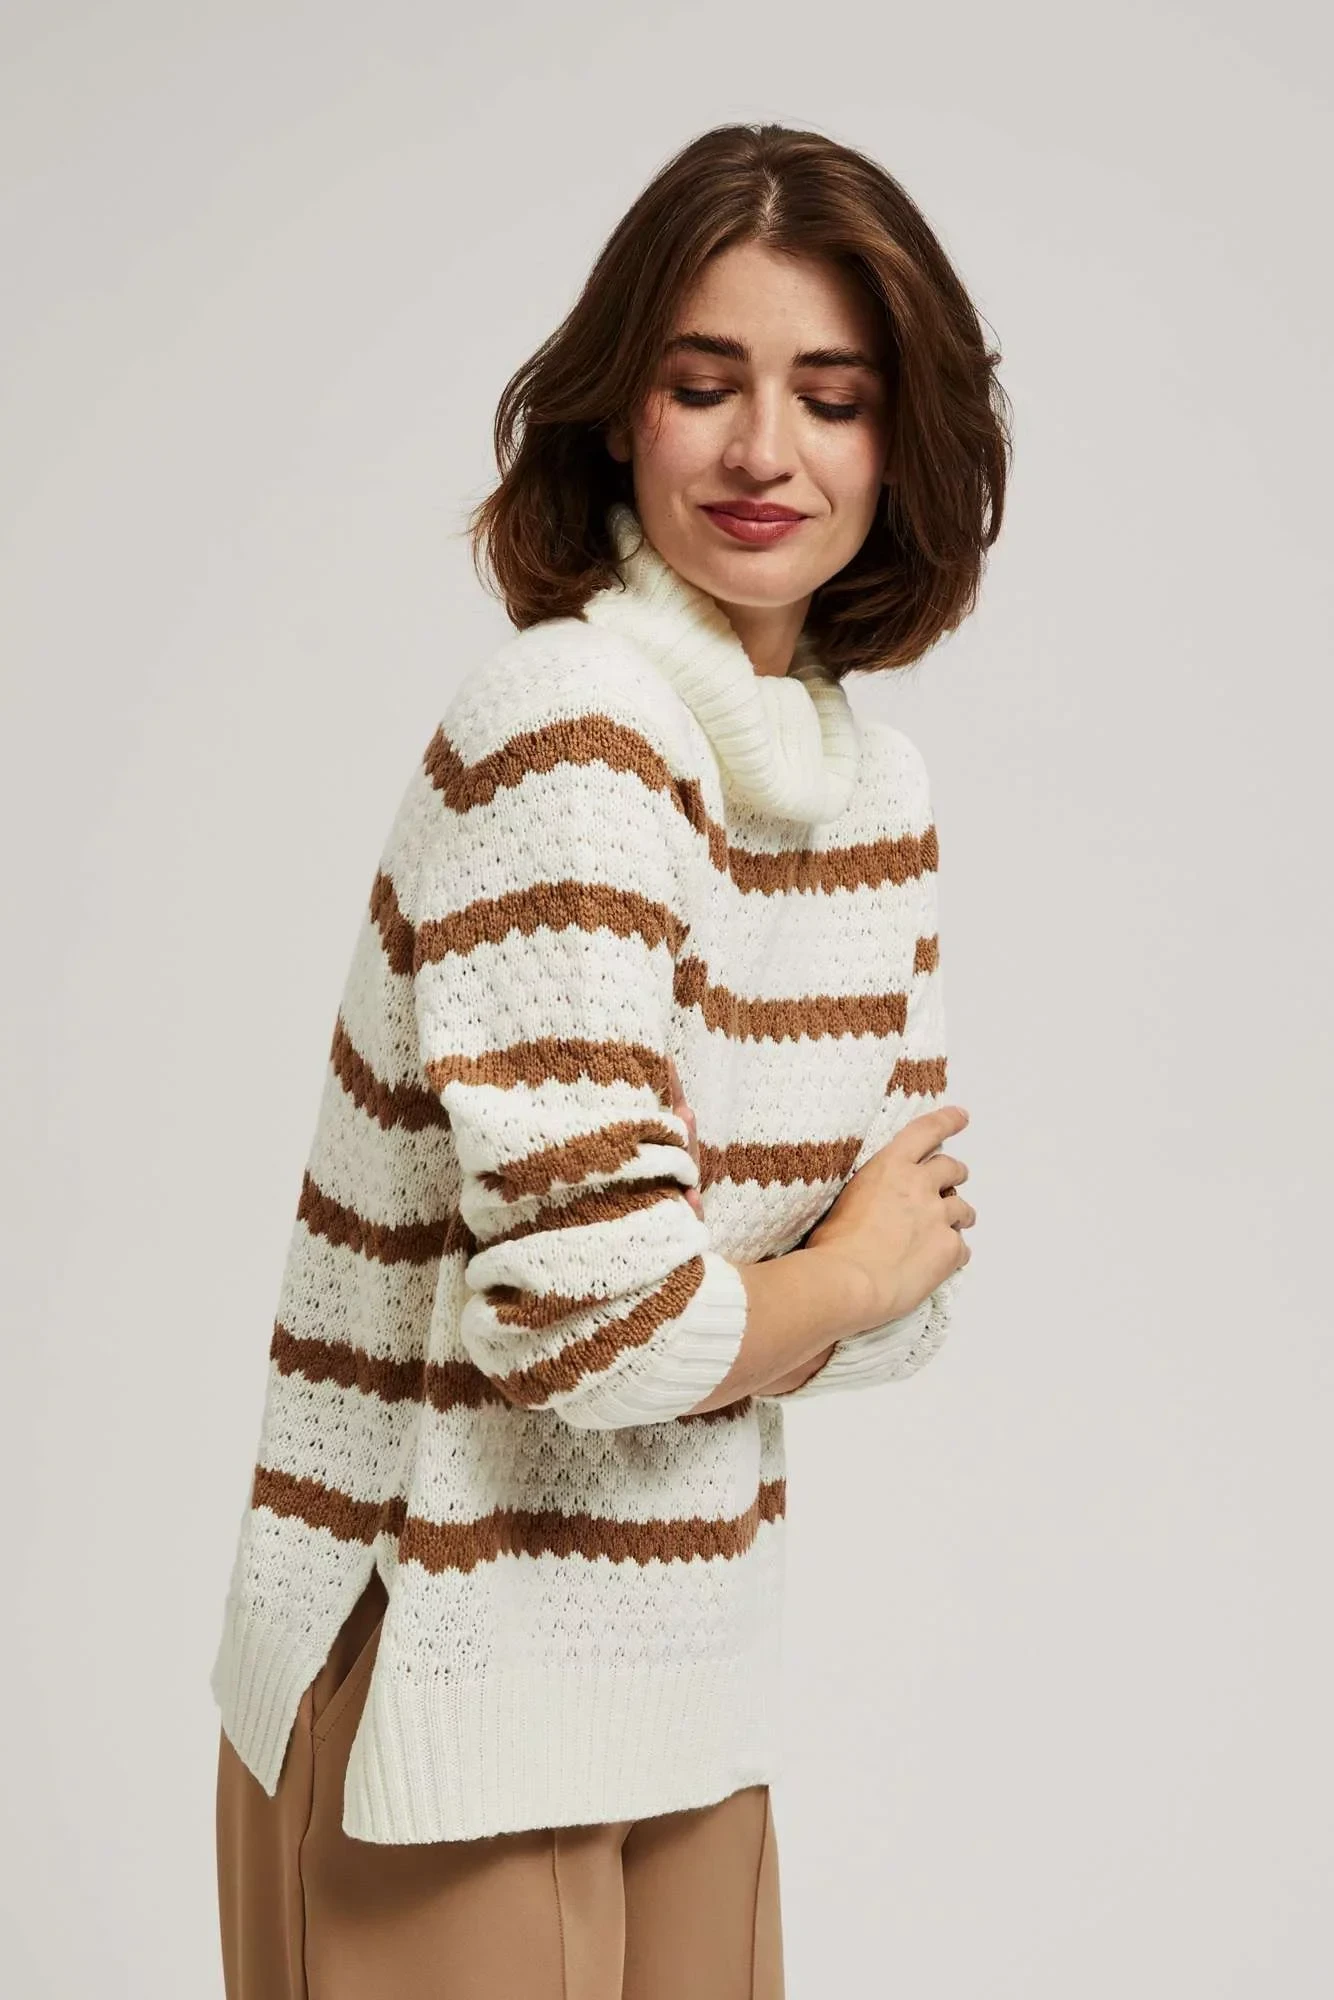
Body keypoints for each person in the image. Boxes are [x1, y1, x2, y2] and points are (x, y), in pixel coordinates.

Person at [211, 118, 1006, 1999]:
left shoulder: (865, 791)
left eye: (831, 396)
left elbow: (911, 1302)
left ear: (902, 442)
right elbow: (599, 1333)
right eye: (701, 383)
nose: (763, 451)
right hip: (442, 1680)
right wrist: (824, 1278)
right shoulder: (569, 733)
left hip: (683, 1685)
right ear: (614, 418)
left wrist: (809, 1291)